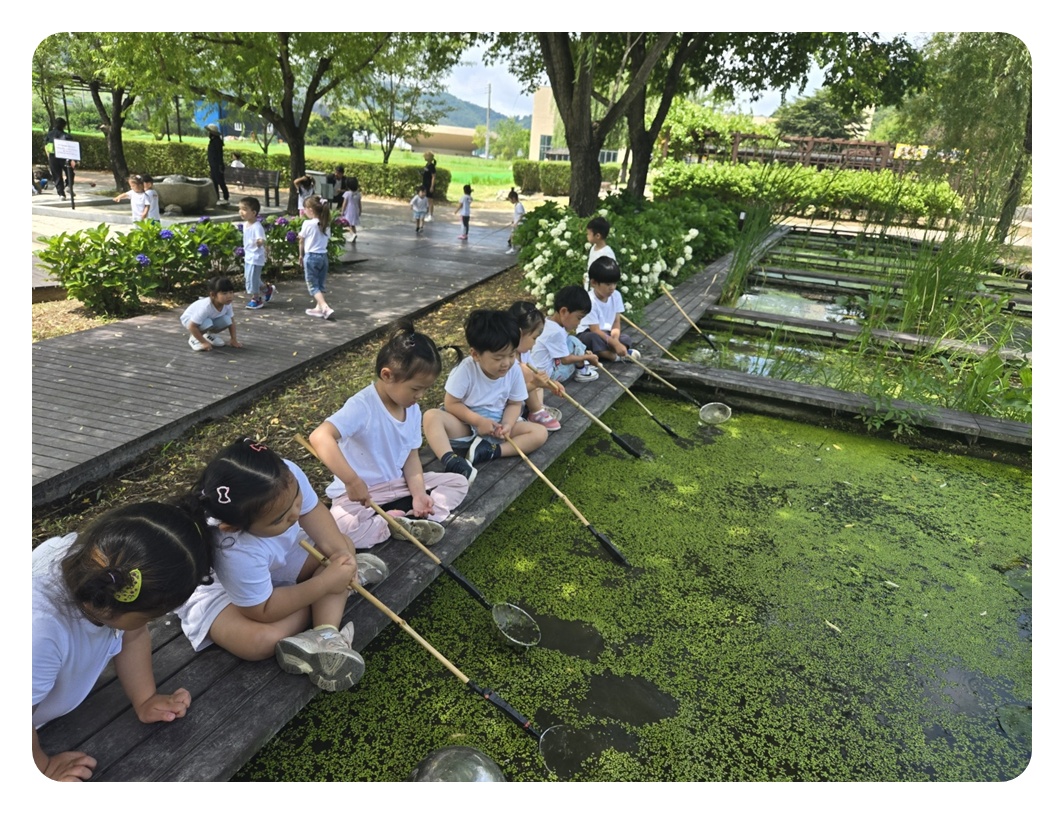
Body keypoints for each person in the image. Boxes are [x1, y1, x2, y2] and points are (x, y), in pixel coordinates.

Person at [174, 438, 389, 693]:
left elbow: (312, 511)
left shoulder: (282, 476)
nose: (295, 514)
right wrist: (324, 584)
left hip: (279, 558)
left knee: (341, 546)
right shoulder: (232, 548)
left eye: (295, 499)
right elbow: (261, 610)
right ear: (233, 527)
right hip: (225, 591)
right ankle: (335, 590)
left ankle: (325, 634)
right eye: (281, 517)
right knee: (258, 642)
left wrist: (342, 558)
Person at [33, 502, 214, 781]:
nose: (149, 623)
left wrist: (145, 699)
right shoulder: (40, 630)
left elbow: (132, 633)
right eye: (152, 616)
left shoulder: (98, 564)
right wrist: (41, 768)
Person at [309, 321, 470, 549]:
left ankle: (410, 516)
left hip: (398, 486)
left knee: (458, 482)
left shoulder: (412, 409)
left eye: (426, 389)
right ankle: (392, 522)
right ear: (387, 375)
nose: (421, 396)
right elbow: (320, 437)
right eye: (416, 389)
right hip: (361, 495)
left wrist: (418, 494)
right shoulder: (362, 406)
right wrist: (352, 481)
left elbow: (411, 456)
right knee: (338, 529)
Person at [422, 309, 549, 482]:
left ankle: (490, 451)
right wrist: (478, 421)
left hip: (497, 426)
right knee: (431, 417)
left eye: (511, 355)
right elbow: (451, 403)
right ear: (475, 354)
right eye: (498, 358)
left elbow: (514, 404)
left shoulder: (514, 370)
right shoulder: (466, 370)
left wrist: (507, 425)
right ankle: (451, 460)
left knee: (540, 433)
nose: (506, 363)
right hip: (465, 425)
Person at [509, 300, 563, 432]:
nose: (535, 344)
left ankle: (537, 408)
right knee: (528, 374)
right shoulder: (506, 361)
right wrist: (534, 384)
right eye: (534, 338)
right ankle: (536, 411)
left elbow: (535, 379)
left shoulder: (524, 353)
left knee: (535, 377)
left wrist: (550, 384)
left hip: (524, 396)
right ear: (519, 334)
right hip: (510, 404)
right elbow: (510, 394)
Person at [576, 256, 641, 363]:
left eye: (614, 283)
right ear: (594, 283)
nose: (612, 287)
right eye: (608, 284)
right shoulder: (590, 300)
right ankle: (615, 357)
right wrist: (615, 344)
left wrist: (615, 339)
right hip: (588, 333)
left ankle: (609, 352)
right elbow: (595, 330)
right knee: (593, 339)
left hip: (606, 334)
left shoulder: (616, 296)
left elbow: (616, 322)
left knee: (625, 338)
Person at [530, 284, 600, 383]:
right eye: (578, 318)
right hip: (548, 377)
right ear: (564, 311)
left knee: (571, 341)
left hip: (538, 372)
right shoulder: (556, 332)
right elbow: (565, 360)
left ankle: (584, 364)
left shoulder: (548, 322)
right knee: (575, 344)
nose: (579, 323)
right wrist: (586, 357)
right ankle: (582, 371)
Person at [180, 275, 243, 352]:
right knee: (207, 323)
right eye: (224, 293)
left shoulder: (227, 304)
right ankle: (194, 338)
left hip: (207, 320)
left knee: (227, 320)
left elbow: (232, 322)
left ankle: (208, 335)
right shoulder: (206, 307)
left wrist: (233, 339)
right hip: (189, 320)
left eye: (231, 292)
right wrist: (204, 343)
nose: (229, 296)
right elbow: (191, 326)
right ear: (213, 295)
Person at [299, 195, 336, 319]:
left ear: (310, 209)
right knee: (320, 283)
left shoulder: (307, 224)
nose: (304, 211)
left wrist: (300, 255)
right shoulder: (326, 224)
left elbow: (301, 241)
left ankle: (325, 307)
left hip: (311, 257)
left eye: (305, 208)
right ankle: (318, 308)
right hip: (323, 257)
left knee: (313, 285)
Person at [239, 196, 274, 310]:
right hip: (248, 255)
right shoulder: (245, 225)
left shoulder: (257, 226)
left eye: (244, 209)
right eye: (240, 209)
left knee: (252, 278)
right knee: (248, 276)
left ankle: (256, 299)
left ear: (254, 212)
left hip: (256, 257)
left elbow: (262, 239)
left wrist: (260, 242)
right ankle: (266, 289)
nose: (241, 212)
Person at [43, 117, 74, 200]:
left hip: (53, 157)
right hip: (64, 157)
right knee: (70, 172)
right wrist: (73, 160)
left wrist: (48, 157)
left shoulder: (49, 134)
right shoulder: (67, 136)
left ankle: (61, 194)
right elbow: (72, 148)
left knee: (57, 176)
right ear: (64, 126)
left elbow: (46, 146)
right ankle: (68, 185)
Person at [585, 215, 617, 288]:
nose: (587, 236)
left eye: (589, 234)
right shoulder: (593, 248)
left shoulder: (607, 253)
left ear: (597, 236)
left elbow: (610, 274)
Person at [205, 123, 229, 207]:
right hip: (213, 165)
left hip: (217, 165)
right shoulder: (212, 141)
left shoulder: (217, 142)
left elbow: (219, 155)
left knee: (220, 181)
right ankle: (216, 197)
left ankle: (226, 197)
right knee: (214, 181)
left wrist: (219, 166)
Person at [341, 177, 362, 243]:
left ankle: (353, 234)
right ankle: (353, 236)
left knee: (348, 224)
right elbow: (359, 203)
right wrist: (360, 210)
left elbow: (344, 203)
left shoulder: (347, 193)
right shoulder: (358, 193)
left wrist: (342, 211)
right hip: (355, 210)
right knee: (352, 225)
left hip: (349, 210)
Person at [506, 188, 525, 255]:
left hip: (519, 224)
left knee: (516, 236)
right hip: (516, 223)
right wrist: (514, 220)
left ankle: (515, 249)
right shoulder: (517, 205)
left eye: (510, 199)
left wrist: (516, 223)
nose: (510, 201)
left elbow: (521, 215)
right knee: (513, 236)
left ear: (513, 198)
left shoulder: (519, 205)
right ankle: (513, 248)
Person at [421, 152, 437, 221]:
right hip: (425, 184)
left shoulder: (432, 166)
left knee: (430, 200)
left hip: (429, 184)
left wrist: (432, 186)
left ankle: (430, 215)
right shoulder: (427, 165)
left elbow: (433, 176)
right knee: (426, 200)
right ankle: (426, 213)